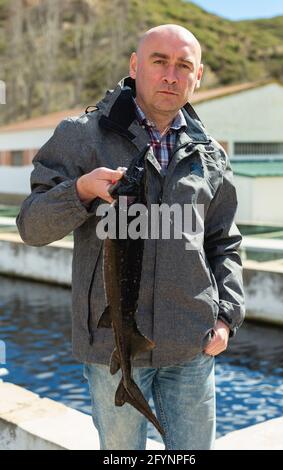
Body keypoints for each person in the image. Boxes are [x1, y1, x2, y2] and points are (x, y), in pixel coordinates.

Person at [17, 24, 245, 450]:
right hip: (112, 349)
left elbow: (224, 242)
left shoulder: (211, 153)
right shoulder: (80, 136)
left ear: (198, 77)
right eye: (159, 61)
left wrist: (226, 317)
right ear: (136, 65)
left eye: (183, 66)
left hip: (193, 346)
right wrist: (80, 191)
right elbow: (31, 226)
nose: (170, 75)